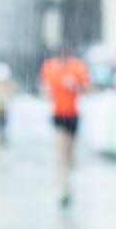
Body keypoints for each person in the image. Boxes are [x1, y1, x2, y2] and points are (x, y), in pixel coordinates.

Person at [39, 45, 91, 207]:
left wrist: (75, 86)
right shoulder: (49, 67)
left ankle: (67, 180)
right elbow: (43, 87)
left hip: (73, 115)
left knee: (69, 155)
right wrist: (46, 91)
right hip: (58, 114)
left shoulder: (78, 67)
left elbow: (88, 88)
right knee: (60, 152)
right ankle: (63, 189)